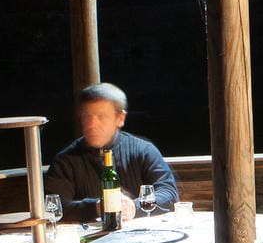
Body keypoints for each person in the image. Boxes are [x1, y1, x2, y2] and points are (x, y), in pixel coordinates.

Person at [45, 82, 177, 223]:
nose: (92, 125)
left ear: (120, 118)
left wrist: (134, 207)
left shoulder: (143, 151)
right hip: (86, 241)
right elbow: (54, 207)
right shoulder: (65, 161)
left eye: (101, 117)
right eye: (87, 116)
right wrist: (96, 207)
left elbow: (169, 194)